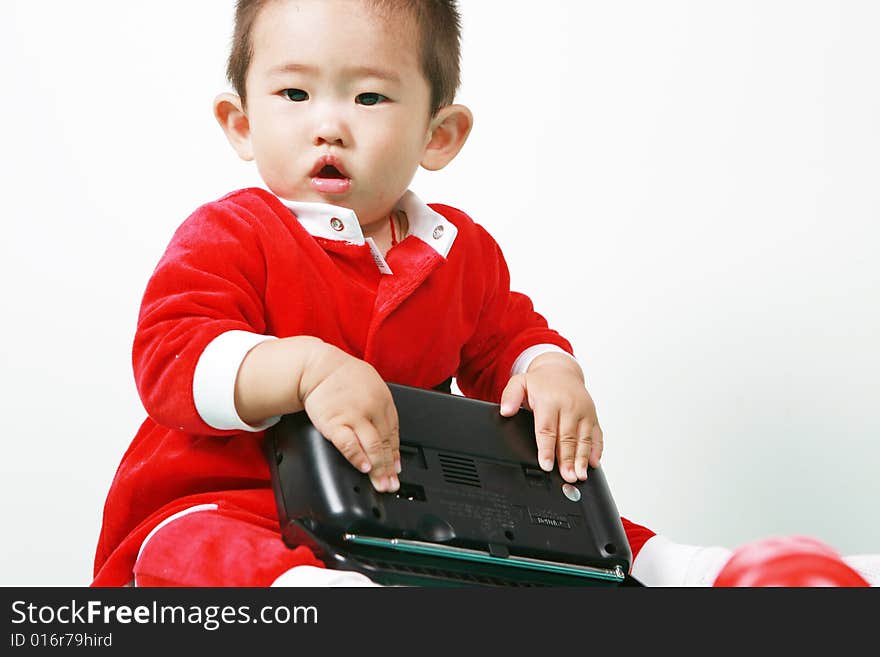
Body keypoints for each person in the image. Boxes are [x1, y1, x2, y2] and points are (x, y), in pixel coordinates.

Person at [92, 0, 875, 588]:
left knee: (559, 518)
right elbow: (172, 354)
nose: (328, 124)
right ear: (240, 122)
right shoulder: (233, 232)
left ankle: (690, 570)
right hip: (231, 492)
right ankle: (306, 595)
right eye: (294, 95)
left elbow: (508, 337)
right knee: (194, 549)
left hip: (400, 499)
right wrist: (301, 369)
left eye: (368, 98)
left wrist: (550, 373)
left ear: (439, 135)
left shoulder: (456, 250)